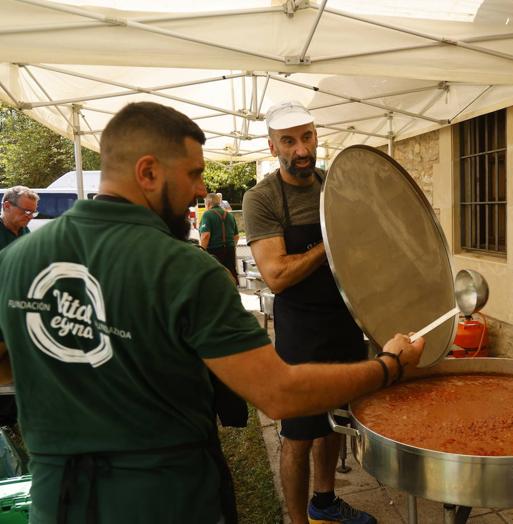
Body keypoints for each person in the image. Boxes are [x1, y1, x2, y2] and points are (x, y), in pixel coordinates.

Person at [0, 101, 424, 524]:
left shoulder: (16, 260)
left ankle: (325, 501)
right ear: (148, 172)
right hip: (169, 502)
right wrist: (389, 366)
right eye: (193, 175)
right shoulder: (187, 270)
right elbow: (278, 394)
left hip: (58, 504)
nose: (202, 192)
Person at [242, 101, 373, 524]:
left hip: (345, 320)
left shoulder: (336, 185)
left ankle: (326, 500)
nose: (301, 149)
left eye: (308, 136)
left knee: (333, 421)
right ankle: (298, 521)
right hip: (300, 328)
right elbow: (276, 275)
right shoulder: (262, 198)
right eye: (289, 141)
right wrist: (328, 243)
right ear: (272, 145)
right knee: (298, 433)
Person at [0, 186, 39, 426]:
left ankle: (12, 423)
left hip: (19, 317)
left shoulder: (26, 233)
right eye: (26, 211)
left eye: (33, 213)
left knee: (17, 374)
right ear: (6, 206)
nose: (29, 217)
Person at [200, 192, 239, 283]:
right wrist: (231, 247)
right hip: (230, 250)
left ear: (208, 203)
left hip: (214, 252)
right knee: (230, 278)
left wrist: (202, 251)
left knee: (215, 279)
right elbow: (236, 236)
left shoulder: (207, 214)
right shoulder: (229, 215)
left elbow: (205, 236)